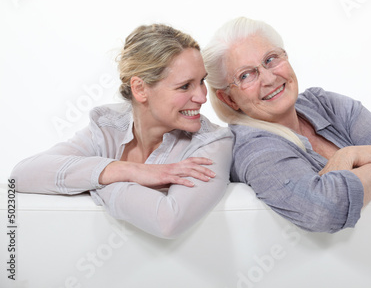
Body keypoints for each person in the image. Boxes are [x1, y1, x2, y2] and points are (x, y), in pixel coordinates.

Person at [202, 17, 371, 234]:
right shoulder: (251, 148)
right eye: (246, 75)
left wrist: (352, 154)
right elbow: (323, 210)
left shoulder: (322, 103)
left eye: (270, 59)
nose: (269, 78)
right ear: (228, 99)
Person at [11, 24, 233, 239]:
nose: (202, 97)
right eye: (185, 86)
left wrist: (94, 182)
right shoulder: (108, 126)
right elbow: (22, 175)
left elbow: (167, 221)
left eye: (202, 81)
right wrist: (128, 170)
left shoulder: (212, 143)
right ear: (140, 89)